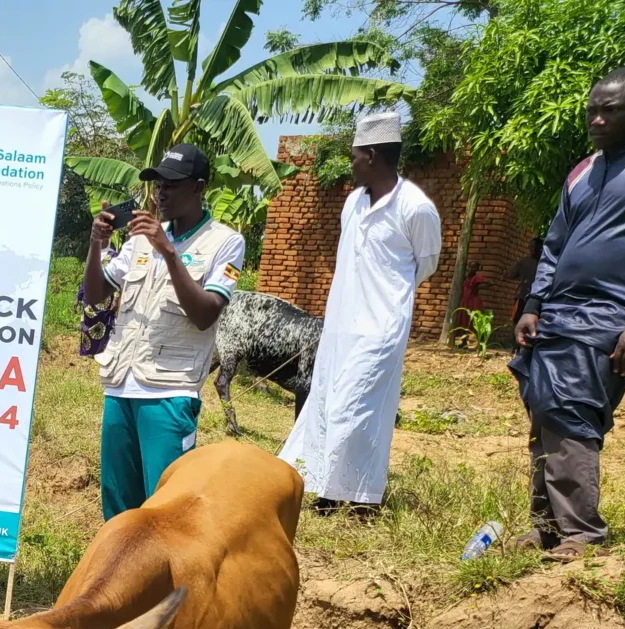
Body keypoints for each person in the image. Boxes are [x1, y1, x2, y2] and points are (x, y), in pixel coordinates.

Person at [279, 112, 442, 518]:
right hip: (340, 325)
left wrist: (387, 300)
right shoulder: (353, 203)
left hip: (380, 329)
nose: (350, 164)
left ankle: (365, 499)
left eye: (354, 156)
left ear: (371, 156)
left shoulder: (416, 208)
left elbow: (426, 265)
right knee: (329, 402)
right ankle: (328, 491)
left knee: (361, 408)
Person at [81, 144, 245, 520]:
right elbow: (95, 293)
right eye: (158, 184)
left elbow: (205, 314)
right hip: (120, 385)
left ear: (199, 187)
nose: (162, 193)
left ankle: (172, 582)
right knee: (119, 508)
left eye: (172, 184)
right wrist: (96, 243)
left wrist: (169, 252)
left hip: (170, 391)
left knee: (166, 508)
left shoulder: (226, 243)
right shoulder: (139, 240)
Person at [510, 68, 625, 561]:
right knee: (545, 413)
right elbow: (555, 245)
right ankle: (546, 525)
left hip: (611, 317)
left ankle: (583, 532)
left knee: (573, 412)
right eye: (591, 110)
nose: (597, 119)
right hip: (559, 314)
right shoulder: (582, 171)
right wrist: (534, 304)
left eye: (611, 110)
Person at [507, 236, 544, 325]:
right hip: (525, 296)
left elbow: (509, 275)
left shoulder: (542, 263)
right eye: (531, 247)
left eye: (535, 247)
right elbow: (508, 275)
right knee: (519, 321)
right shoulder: (525, 262)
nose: (533, 249)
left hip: (533, 297)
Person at [455, 261, 488, 334]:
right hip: (464, 301)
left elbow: (490, 282)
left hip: (473, 302)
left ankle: (472, 339)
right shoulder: (465, 277)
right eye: (470, 267)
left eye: (474, 267)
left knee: (471, 320)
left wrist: (479, 287)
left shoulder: (476, 278)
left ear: (477, 269)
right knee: (463, 319)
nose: (471, 269)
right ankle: (463, 340)